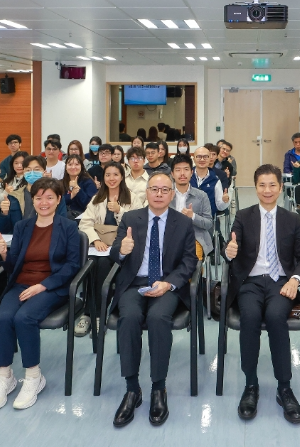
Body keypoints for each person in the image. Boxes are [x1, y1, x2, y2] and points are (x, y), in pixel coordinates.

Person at [225, 164, 300, 424]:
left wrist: (295, 280)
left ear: (280, 187)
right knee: (250, 317)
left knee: (276, 318)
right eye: (262, 185)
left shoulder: (291, 219)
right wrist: (229, 251)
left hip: (281, 282)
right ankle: (250, 385)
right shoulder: (243, 216)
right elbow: (231, 247)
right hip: (250, 281)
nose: (267, 190)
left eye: (272, 184)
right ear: (255, 188)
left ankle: (284, 388)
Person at [109, 173, 198, 427]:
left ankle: (159, 387)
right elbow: (115, 254)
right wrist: (121, 251)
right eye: (154, 189)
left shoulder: (183, 222)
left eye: (164, 190)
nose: (159, 194)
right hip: (134, 283)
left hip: (166, 284)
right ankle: (132, 389)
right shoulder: (130, 219)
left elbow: (189, 261)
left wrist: (168, 283)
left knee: (158, 318)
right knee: (129, 317)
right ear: (146, 192)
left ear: (172, 194)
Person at [0, 177, 82, 410]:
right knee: (3, 318)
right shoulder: (22, 227)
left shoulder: (68, 227)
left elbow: (72, 266)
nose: (43, 202)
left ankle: (33, 377)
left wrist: (43, 285)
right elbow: (14, 265)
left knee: (24, 318)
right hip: (20, 284)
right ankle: (5, 377)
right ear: (33, 199)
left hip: (51, 286)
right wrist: (4, 254)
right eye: (38, 198)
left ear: (58, 200)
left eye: (49, 198)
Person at [76, 161, 145, 337]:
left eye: (115, 174)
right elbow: (85, 223)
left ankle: (98, 315)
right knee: (90, 265)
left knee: (103, 264)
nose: (111, 178)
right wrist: (96, 239)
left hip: (122, 249)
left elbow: (138, 223)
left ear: (122, 177)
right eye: (108, 175)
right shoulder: (97, 198)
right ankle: (88, 314)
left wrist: (120, 210)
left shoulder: (132, 198)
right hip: (99, 246)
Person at [0, 156, 67, 234]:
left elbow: (62, 223)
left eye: (36, 170)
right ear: (23, 172)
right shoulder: (13, 196)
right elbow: (1, 229)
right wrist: (4, 213)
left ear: (44, 171)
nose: (32, 173)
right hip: (20, 238)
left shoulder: (54, 196)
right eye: (28, 170)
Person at [170, 154, 214, 261]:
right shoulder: (166, 194)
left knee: (192, 263)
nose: (182, 173)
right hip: (170, 237)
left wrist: (193, 216)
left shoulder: (201, 196)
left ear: (191, 172)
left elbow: (209, 223)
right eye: (178, 170)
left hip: (195, 237)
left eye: (186, 169)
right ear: (172, 174)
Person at [191, 147, 230, 215]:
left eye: (205, 157)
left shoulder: (215, 180)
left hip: (207, 218)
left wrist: (225, 201)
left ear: (209, 159)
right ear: (194, 159)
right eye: (199, 156)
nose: (202, 159)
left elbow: (220, 207)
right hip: (186, 218)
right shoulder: (186, 176)